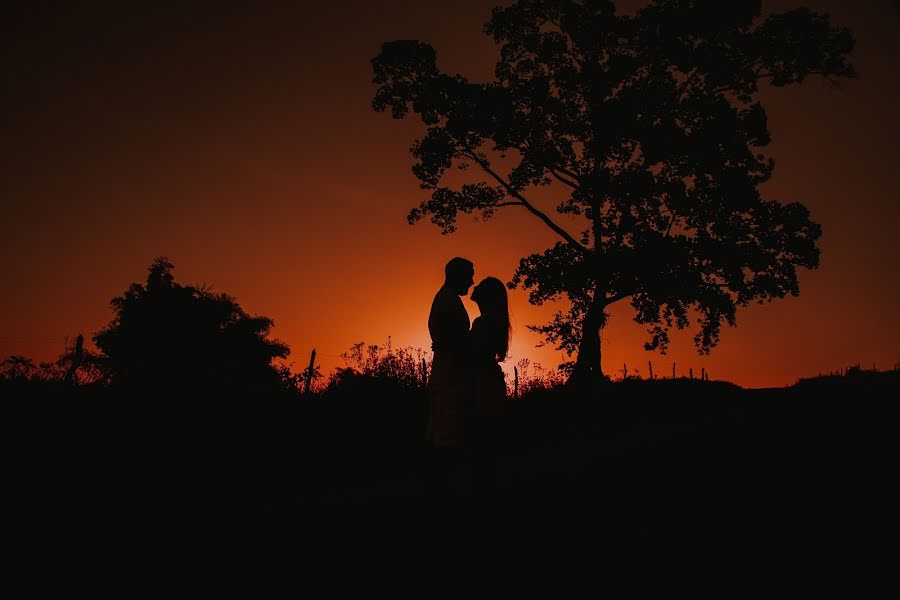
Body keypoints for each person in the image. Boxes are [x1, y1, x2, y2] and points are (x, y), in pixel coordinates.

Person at [425, 257, 475, 493]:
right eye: (469, 275)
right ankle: (445, 489)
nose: (472, 281)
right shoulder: (448, 301)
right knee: (447, 434)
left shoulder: (447, 298)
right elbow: (455, 342)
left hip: (448, 374)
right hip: (449, 376)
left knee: (444, 431)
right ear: (457, 275)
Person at [467, 277, 510, 495]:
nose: (474, 287)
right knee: (489, 437)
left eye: (480, 287)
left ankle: (485, 490)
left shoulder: (482, 322)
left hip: (484, 383)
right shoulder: (494, 320)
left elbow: (473, 354)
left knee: (482, 438)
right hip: (491, 382)